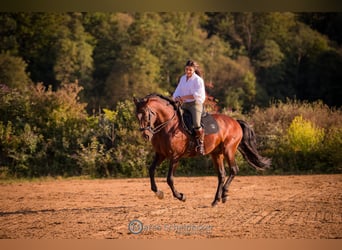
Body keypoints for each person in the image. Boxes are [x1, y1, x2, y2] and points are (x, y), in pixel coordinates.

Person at [172, 60, 206, 155]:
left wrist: (183, 97)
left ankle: (201, 144)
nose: (188, 71)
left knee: (196, 123)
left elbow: (197, 95)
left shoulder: (198, 80)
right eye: (186, 69)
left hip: (195, 104)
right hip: (184, 104)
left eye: (190, 70)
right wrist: (176, 97)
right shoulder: (183, 78)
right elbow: (178, 90)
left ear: (194, 70)